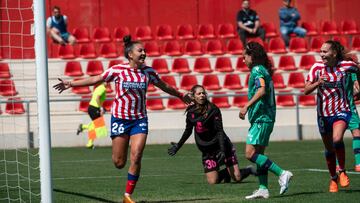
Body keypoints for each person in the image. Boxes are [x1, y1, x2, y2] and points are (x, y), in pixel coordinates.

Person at [53, 35, 192, 203]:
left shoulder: (149, 72)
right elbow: (96, 79)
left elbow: (164, 86)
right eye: (140, 50)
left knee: (137, 155)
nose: (144, 53)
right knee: (119, 162)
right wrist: (71, 84)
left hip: (139, 119)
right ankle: (122, 165)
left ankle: (127, 196)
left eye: (144, 51)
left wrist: (180, 95)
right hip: (120, 119)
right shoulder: (117, 70)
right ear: (130, 54)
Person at [168, 85, 256, 184]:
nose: (202, 95)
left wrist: (222, 150)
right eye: (199, 93)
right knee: (213, 182)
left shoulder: (213, 109)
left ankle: (248, 170)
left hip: (222, 146)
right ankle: (227, 173)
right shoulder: (191, 113)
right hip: (207, 150)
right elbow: (188, 131)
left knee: (237, 177)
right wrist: (178, 146)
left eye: (203, 93)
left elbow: (220, 131)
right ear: (193, 96)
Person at [239, 41, 293, 199]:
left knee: (249, 154)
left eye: (244, 57)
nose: (243, 60)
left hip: (262, 118)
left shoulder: (256, 70)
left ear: (252, 56)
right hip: (265, 118)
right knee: (259, 154)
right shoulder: (263, 69)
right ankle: (263, 188)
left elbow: (262, 90)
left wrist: (246, 106)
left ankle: (282, 173)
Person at [304, 40, 360, 193]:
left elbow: (358, 70)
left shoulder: (346, 66)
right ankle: (333, 178)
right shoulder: (316, 68)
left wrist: (358, 88)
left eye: (325, 51)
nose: (321, 54)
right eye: (320, 51)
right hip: (323, 114)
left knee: (337, 139)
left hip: (342, 110)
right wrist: (318, 83)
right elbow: (306, 90)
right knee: (329, 149)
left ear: (334, 53)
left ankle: (342, 170)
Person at [77, 83, 107, 149]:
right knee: (96, 126)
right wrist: (101, 108)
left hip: (93, 108)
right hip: (94, 108)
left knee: (96, 126)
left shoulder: (99, 87)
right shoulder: (102, 88)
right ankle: (89, 143)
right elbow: (97, 98)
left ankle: (83, 128)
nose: (108, 82)